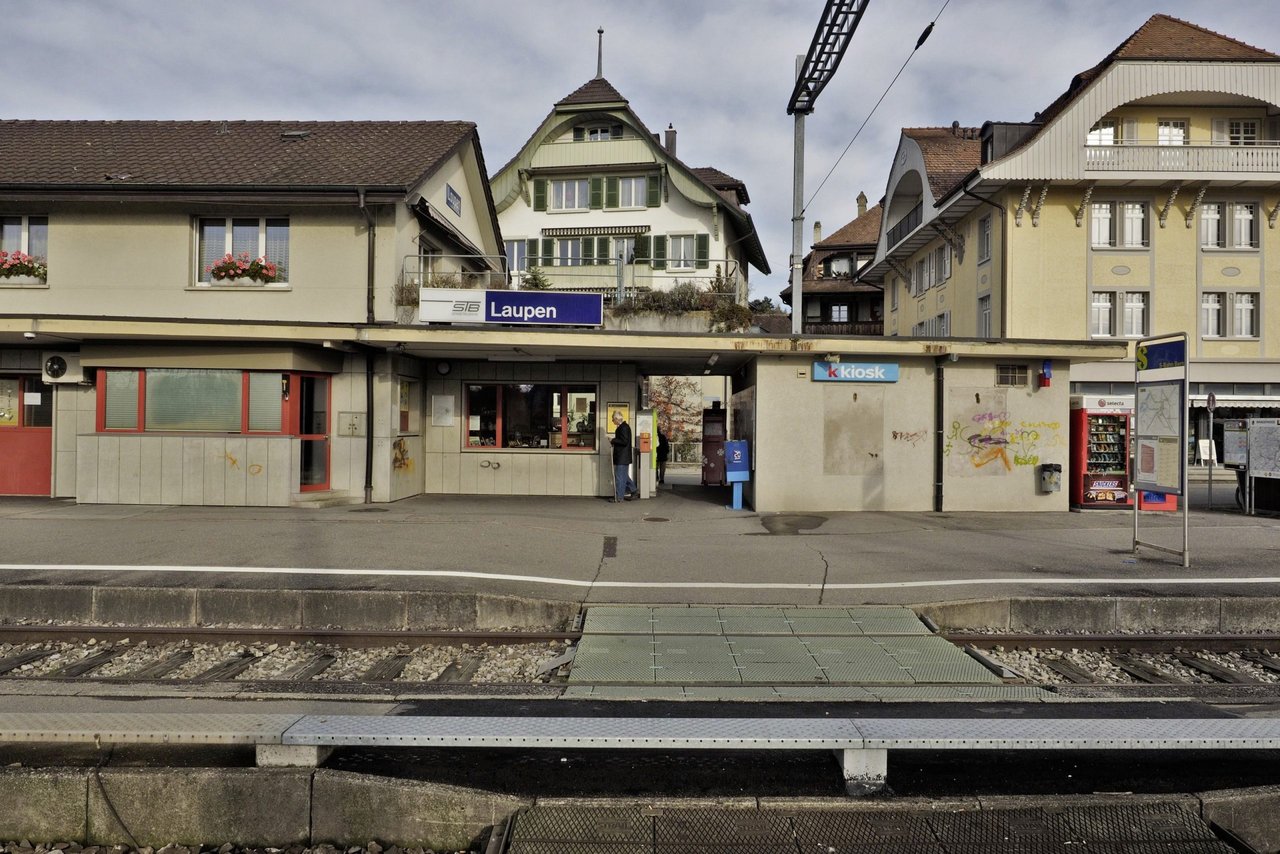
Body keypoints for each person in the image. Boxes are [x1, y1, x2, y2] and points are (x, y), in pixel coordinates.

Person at [610, 410, 637, 502]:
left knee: (619, 478)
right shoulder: (624, 427)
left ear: (617, 419)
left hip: (622, 457)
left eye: (613, 419)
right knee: (624, 476)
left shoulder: (623, 428)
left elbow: (624, 441)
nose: (612, 421)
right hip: (624, 457)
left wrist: (613, 440)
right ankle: (633, 490)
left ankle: (619, 497)